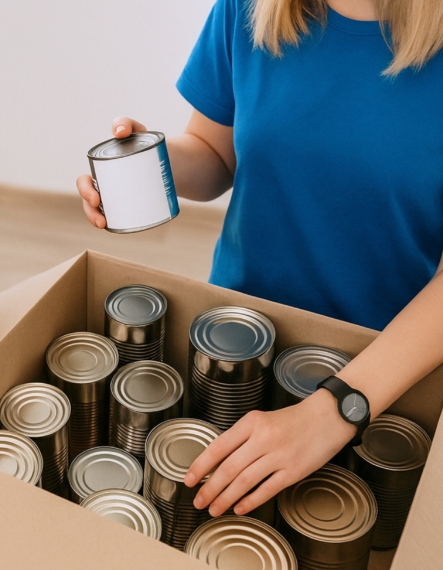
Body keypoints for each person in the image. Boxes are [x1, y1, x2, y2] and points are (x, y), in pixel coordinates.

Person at [77, 0, 443, 517]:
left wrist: (337, 407)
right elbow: (215, 153)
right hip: (233, 343)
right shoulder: (247, 9)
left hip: (379, 370)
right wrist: (149, 165)